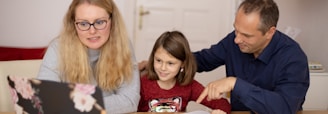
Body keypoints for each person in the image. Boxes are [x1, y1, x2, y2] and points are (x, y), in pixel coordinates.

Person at [193, 0, 309, 114]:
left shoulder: (294, 58)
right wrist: (176, 56)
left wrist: (235, 84)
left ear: (270, 32)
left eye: (246, 35)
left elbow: (284, 108)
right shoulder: (233, 41)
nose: (237, 39)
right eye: (236, 30)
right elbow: (203, 60)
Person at [37, 0, 140, 113]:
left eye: (100, 22)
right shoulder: (57, 48)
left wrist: (75, 104)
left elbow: (130, 101)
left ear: (113, 21)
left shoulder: (124, 46)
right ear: (73, 24)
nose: (92, 31)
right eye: (83, 24)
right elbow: (44, 98)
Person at [137, 31, 231, 114]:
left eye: (170, 63)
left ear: (182, 64)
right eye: (158, 60)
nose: (163, 68)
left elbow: (223, 104)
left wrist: (221, 112)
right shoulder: (143, 85)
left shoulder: (189, 86)